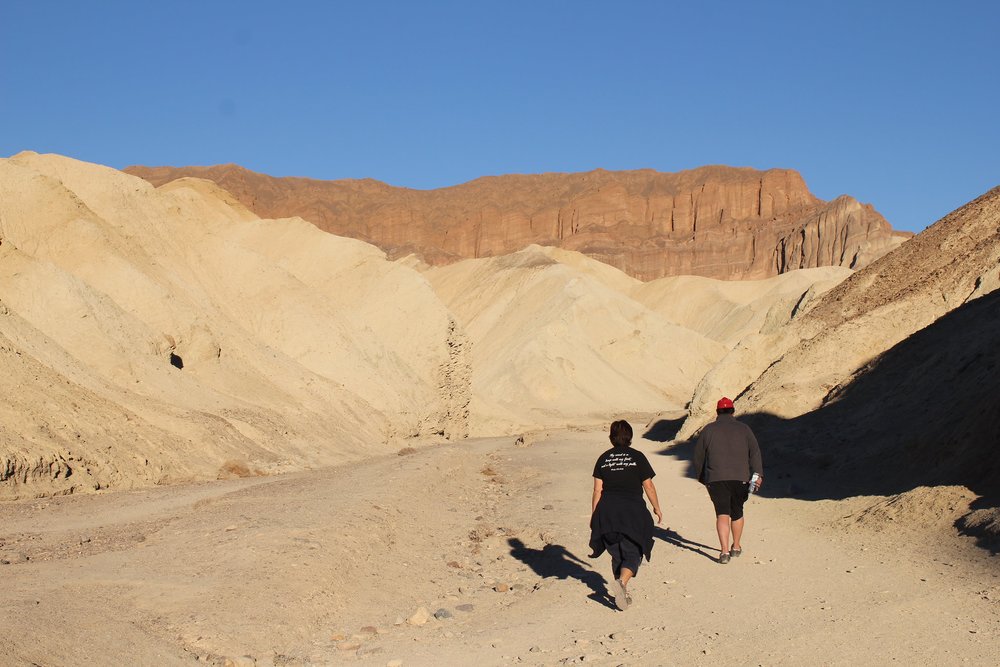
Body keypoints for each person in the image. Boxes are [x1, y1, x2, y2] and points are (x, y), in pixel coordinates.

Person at [589, 420, 663, 611]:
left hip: (607, 512)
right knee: (634, 551)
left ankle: (622, 591)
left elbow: (597, 490)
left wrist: (595, 515)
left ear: (611, 438)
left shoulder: (603, 458)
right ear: (630, 437)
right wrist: (656, 507)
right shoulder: (637, 456)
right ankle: (621, 583)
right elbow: (648, 486)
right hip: (632, 512)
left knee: (617, 553)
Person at [693, 397, 764, 564]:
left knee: (722, 514)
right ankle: (736, 547)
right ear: (733, 411)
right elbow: (755, 452)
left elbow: (698, 457)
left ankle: (724, 552)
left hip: (716, 479)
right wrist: (758, 474)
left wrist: (703, 478)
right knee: (737, 512)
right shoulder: (744, 429)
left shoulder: (708, 430)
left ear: (717, 412)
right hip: (740, 478)